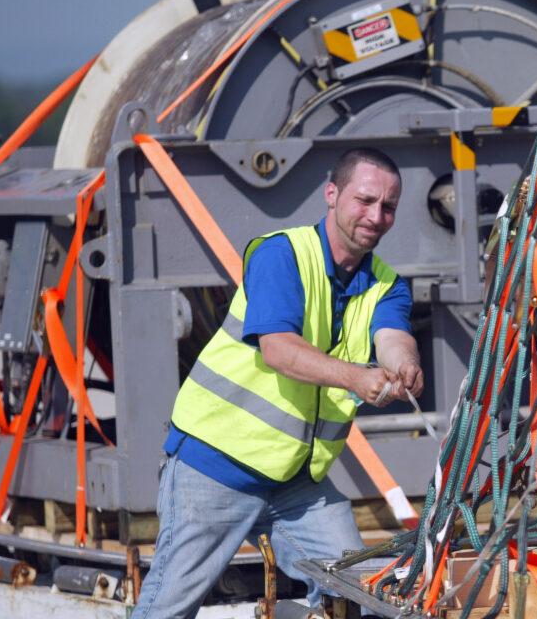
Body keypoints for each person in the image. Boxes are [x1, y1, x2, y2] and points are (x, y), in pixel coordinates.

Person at [133, 147, 423, 618]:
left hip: (295, 485)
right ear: (332, 194)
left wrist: (404, 364)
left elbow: (392, 337)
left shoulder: (386, 285)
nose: (376, 216)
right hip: (215, 467)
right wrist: (357, 377)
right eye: (365, 200)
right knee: (166, 609)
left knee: (362, 594)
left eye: (388, 207)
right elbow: (278, 350)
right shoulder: (281, 254)